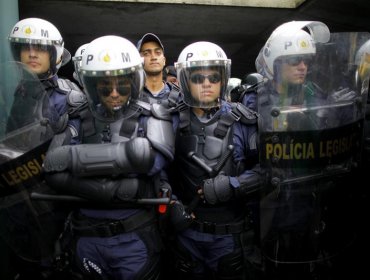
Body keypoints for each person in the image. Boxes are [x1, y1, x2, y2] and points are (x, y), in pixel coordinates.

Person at [42, 35, 176, 280]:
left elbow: (152, 159)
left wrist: (75, 162)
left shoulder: (152, 113)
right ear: (92, 86)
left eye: (122, 85)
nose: (114, 93)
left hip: (134, 235)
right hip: (86, 235)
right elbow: (52, 167)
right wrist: (117, 186)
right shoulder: (78, 116)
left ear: (133, 82)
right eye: (105, 86)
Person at [255, 21, 366, 280]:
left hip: (313, 193)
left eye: (305, 61)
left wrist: (337, 115)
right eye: (295, 61)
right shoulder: (257, 99)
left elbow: (328, 142)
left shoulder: (313, 93)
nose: (303, 67)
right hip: (277, 197)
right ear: (276, 64)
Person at [0, 17, 88, 279]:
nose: (30, 54)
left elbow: (75, 154)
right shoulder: (19, 94)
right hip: (16, 197)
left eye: (38, 48)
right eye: (25, 48)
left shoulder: (71, 97)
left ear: (53, 53)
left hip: (51, 202)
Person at [167, 41, 262, 280]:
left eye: (213, 77)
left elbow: (269, 171)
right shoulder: (169, 121)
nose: (207, 83)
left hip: (230, 237)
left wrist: (233, 185)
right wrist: (171, 204)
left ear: (223, 80)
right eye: (198, 78)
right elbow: (156, 172)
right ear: (186, 80)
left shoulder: (244, 121)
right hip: (187, 234)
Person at [137, 33, 179, 104]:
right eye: (146, 53)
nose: (153, 57)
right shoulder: (131, 97)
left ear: (164, 60)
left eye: (158, 52)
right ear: (138, 61)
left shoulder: (180, 96)